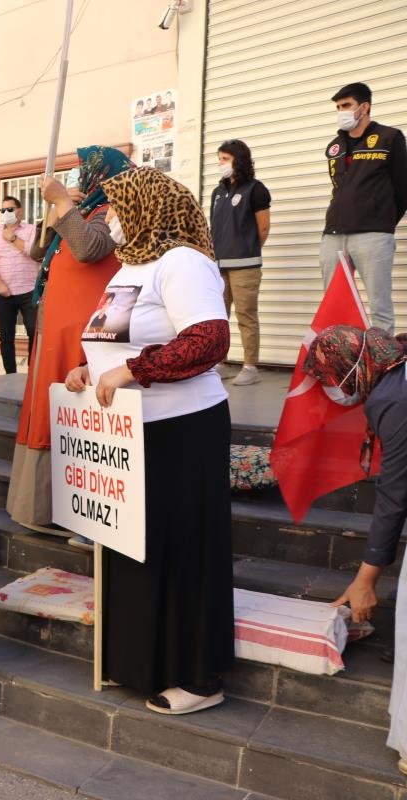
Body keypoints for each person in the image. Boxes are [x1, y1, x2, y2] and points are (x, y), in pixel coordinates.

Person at [65, 166, 233, 714]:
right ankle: (138, 664)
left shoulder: (183, 262)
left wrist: (133, 370)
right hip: (128, 431)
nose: (105, 218)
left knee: (182, 548)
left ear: (146, 208)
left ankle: (199, 678)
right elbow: (113, 340)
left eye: (113, 208)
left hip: (183, 429)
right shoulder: (129, 267)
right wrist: (87, 370)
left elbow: (209, 340)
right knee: (137, 547)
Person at [7, 145, 133, 535]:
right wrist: (56, 209)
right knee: (47, 410)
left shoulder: (115, 210)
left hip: (82, 334)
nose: (81, 179)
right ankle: (44, 509)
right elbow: (39, 250)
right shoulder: (84, 208)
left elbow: (89, 248)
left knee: (74, 417)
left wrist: (64, 202)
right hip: (57, 327)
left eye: (87, 171)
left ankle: (75, 513)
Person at [303, 325, 407, 775]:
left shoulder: (393, 398)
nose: (332, 389)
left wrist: (366, 579)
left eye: (330, 377)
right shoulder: (396, 366)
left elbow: (396, 493)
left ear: (353, 367)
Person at [320, 82, 407, 332]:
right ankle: (344, 364)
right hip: (333, 236)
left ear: (364, 107)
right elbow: (339, 188)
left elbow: (403, 189)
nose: (341, 111)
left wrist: (382, 220)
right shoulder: (334, 146)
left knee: (380, 308)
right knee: (334, 306)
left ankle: (382, 369)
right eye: (338, 107)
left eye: (346, 105)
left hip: (373, 235)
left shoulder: (389, 137)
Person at [210, 139, 271, 386]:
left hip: (245, 265)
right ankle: (218, 362)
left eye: (225, 159)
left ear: (239, 160)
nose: (220, 164)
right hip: (218, 265)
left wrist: (246, 248)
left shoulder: (256, 189)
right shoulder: (218, 191)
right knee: (218, 315)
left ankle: (250, 366)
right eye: (219, 159)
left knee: (246, 315)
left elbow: (263, 228)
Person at [0, 195, 38, 373]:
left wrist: (13, 238)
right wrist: (0, 285)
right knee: (6, 337)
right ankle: (10, 374)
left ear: (19, 210)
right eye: (3, 210)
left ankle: (32, 373)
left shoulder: (31, 230)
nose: (6, 213)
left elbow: (34, 253)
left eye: (10, 209)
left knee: (33, 332)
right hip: (4, 293)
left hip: (29, 290)